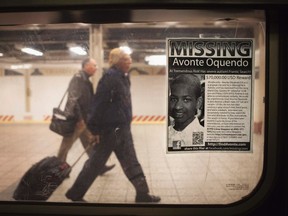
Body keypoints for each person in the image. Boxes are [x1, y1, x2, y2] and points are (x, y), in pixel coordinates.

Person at [65, 48, 161, 203]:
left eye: (129, 58)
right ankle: (75, 193)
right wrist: (94, 130)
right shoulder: (109, 78)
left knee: (131, 161)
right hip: (109, 132)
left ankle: (142, 193)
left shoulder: (123, 77)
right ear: (117, 61)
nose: (130, 61)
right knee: (95, 164)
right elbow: (98, 104)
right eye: (126, 59)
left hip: (122, 130)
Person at [57, 58, 115, 174]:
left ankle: (98, 167)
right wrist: (79, 118)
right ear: (86, 66)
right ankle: (57, 169)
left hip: (84, 120)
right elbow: (73, 99)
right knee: (66, 146)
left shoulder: (86, 80)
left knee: (91, 143)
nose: (96, 68)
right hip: (77, 121)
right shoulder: (78, 79)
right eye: (94, 65)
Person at [168, 74, 204, 149]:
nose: (177, 107)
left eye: (186, 100)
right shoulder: (167, 133)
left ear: (198, 103)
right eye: (174, 99)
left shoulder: (204, 135)